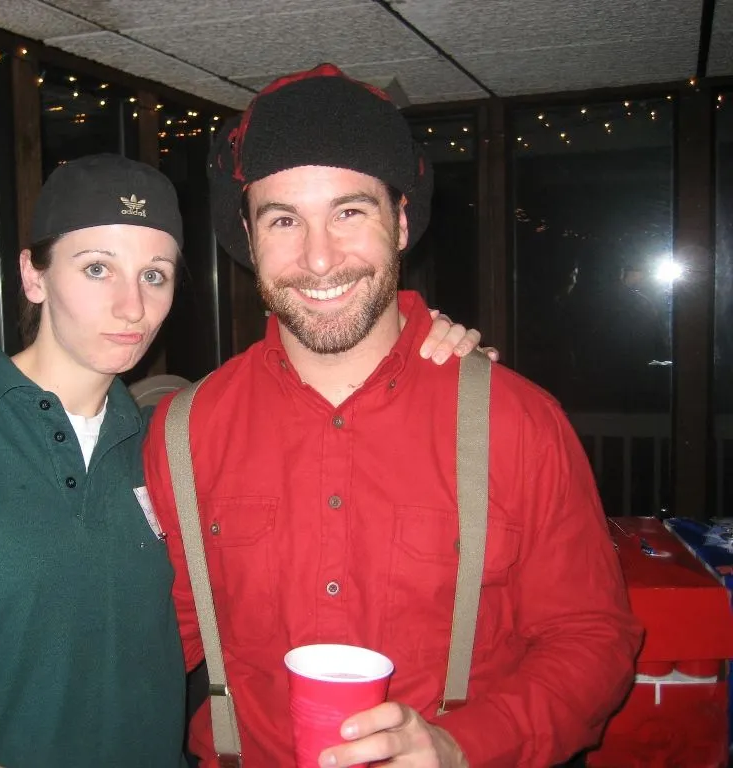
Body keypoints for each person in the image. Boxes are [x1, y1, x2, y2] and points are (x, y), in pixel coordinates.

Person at [0, 153, 485, 768]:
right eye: (96, 268)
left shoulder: (163, 444)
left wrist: (422, 340)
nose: (130, 306)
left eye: (155, 275)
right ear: (33, 276)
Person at [142, 65, 643, 768]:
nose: (319, 258)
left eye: (350, 212)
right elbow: (142, 647)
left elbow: (592, 640)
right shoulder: (184, 432)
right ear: (249, 239)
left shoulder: (517, 422)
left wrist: (461, 746)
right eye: (284, 220)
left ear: (401, 221)